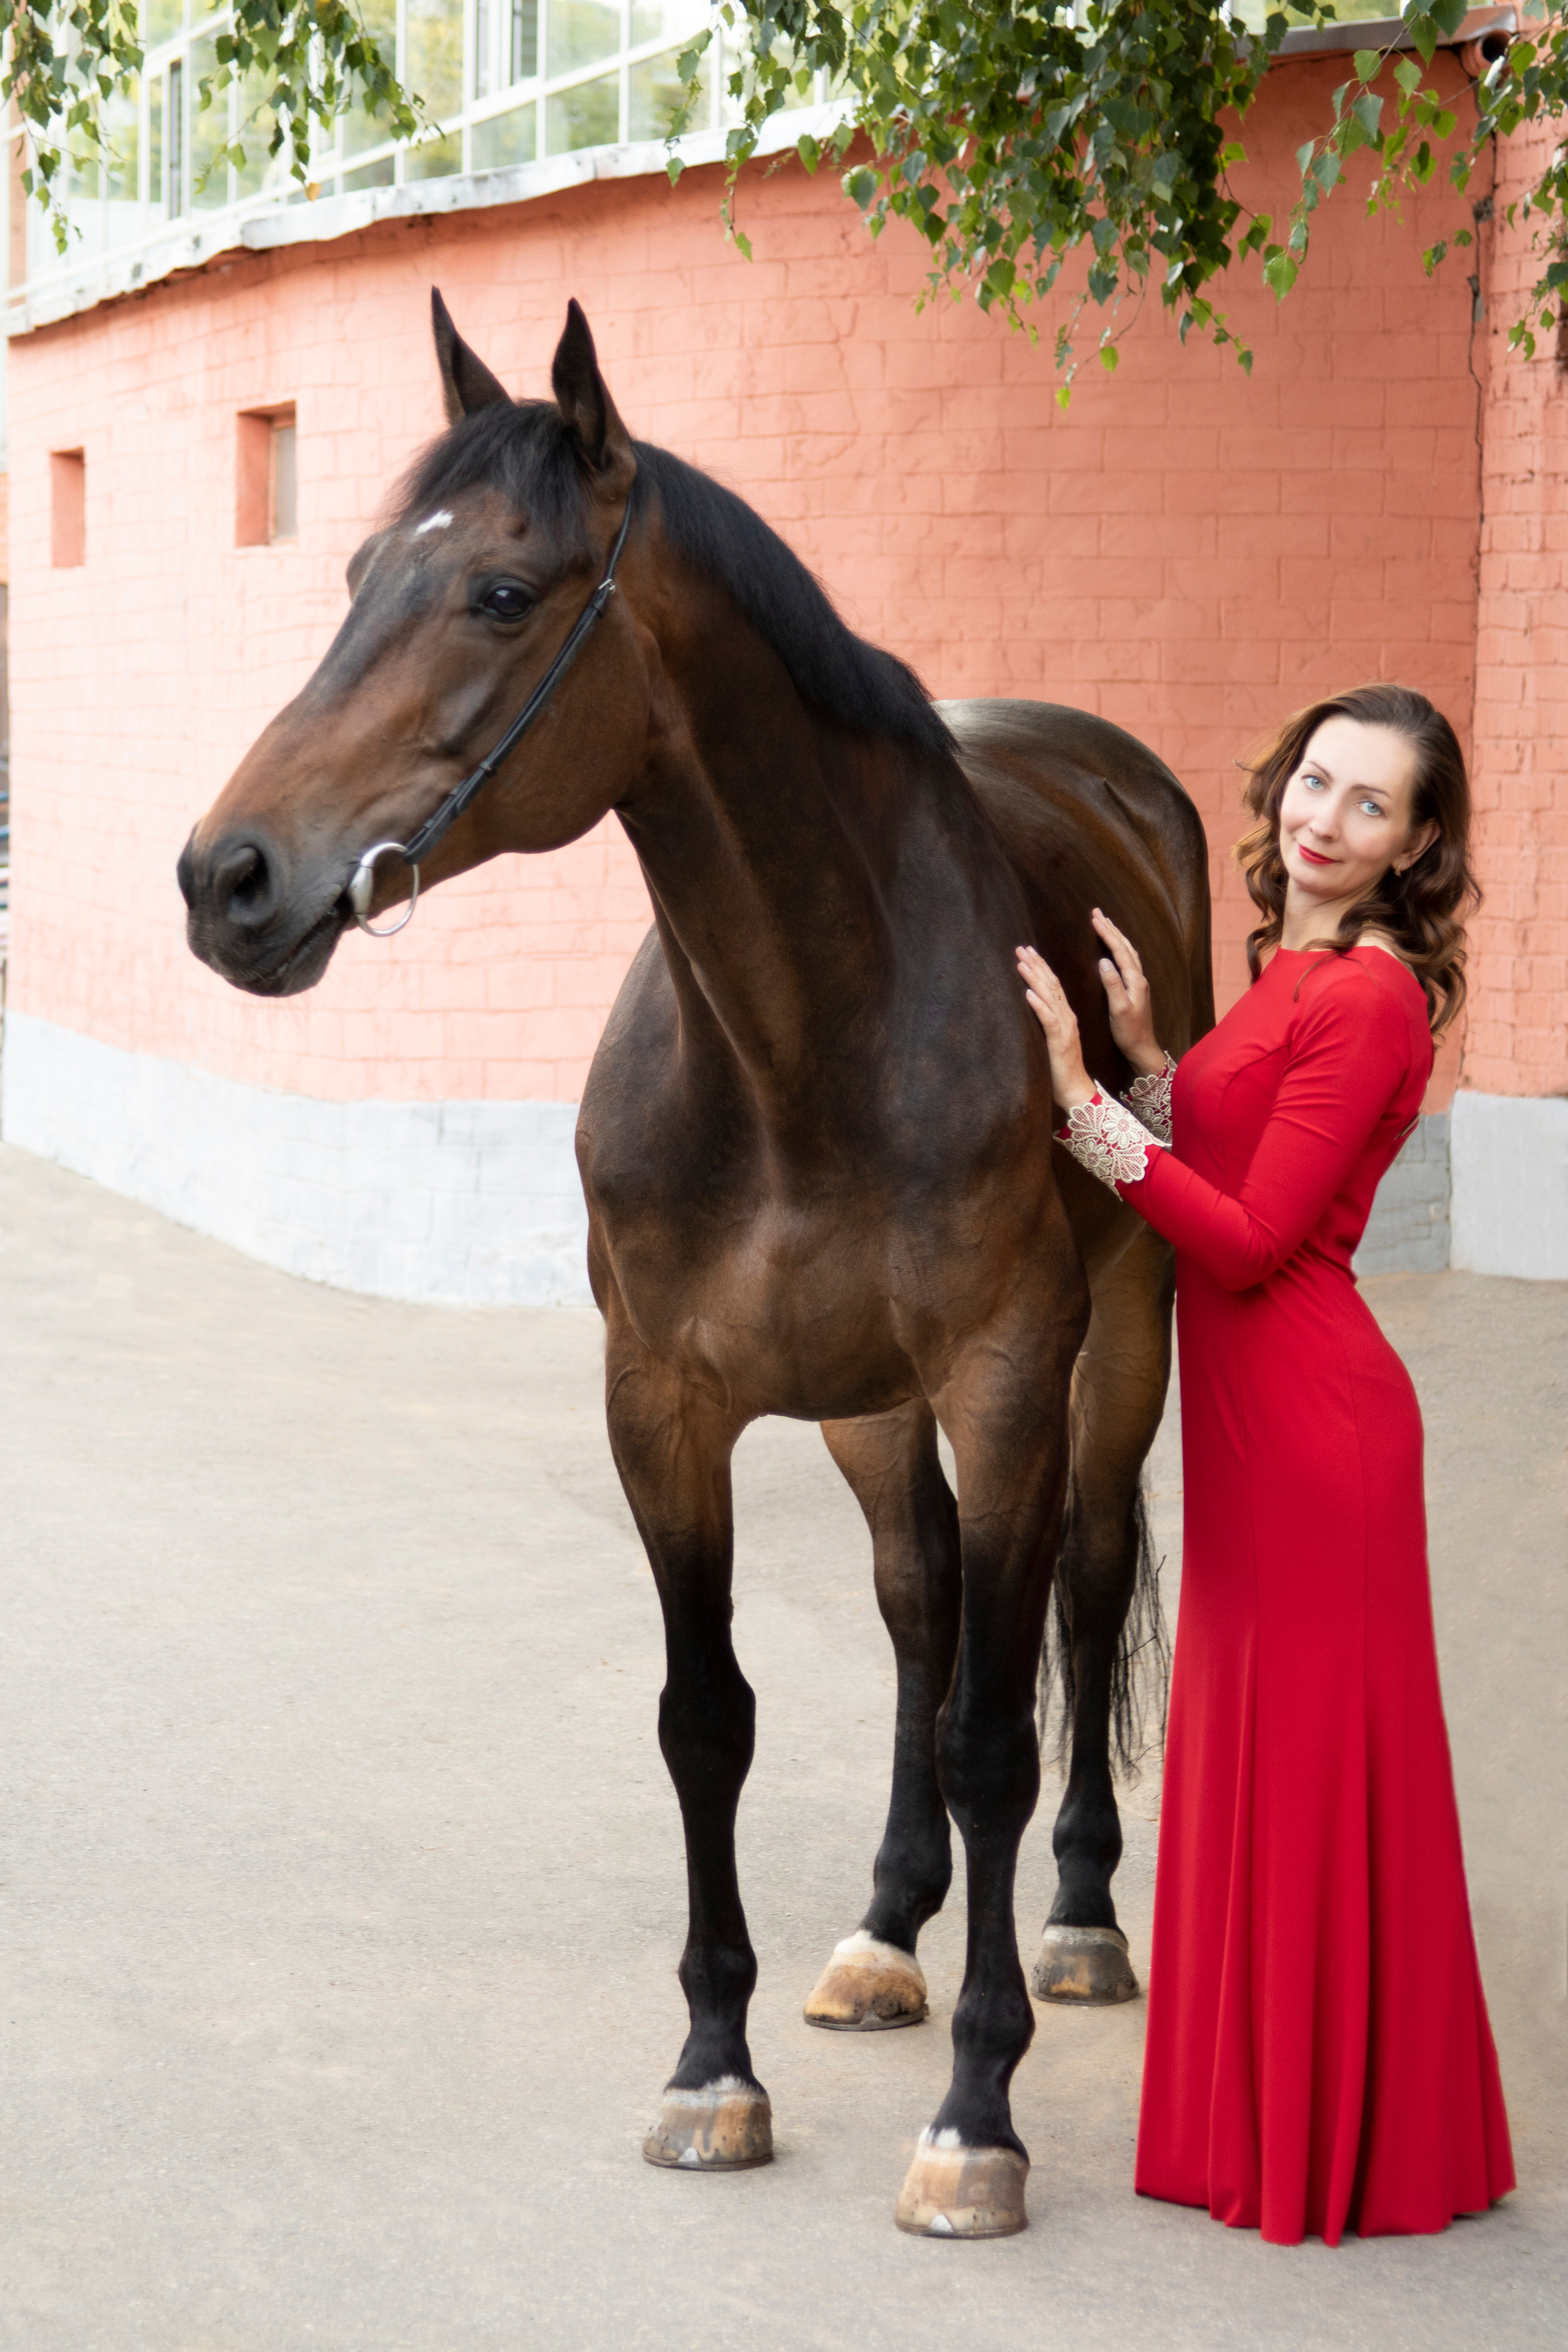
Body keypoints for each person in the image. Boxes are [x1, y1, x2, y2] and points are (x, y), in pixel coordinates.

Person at [1016, 683, 1514, 2247]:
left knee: (1306, 1785)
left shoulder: (1364, 999)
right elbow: (1232, 1154)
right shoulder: (1291, 969)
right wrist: (1163, 1061)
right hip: (1257, 1432)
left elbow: (1239, 1243)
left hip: (1310, 1429)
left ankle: (1328, 2148)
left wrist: (1082, 1105)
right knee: (1261, 1773)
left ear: (1415, 844)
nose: (1324, 818)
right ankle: (1276, 2116)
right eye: (1315, 780)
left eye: (1370, 806)